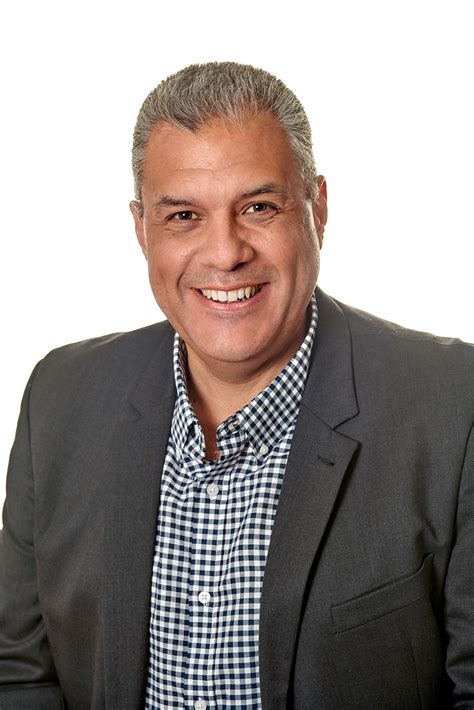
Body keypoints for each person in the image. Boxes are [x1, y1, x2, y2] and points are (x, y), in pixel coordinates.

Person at [0, 62, 472, 710]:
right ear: (141, 230)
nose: (225, 253)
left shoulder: (453, 410)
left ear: (318, 208)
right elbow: (21, 675)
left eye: (258, 208)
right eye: (184, 215)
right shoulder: (59, 399)